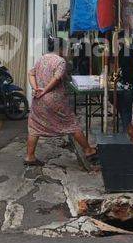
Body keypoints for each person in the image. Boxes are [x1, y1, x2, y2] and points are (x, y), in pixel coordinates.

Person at [26, 37, 97, 167]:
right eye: (65, 48)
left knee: (34, 127)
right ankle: (88, 150)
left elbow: (31, 74)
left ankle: (30, 157)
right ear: (60, 48)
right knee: (72, 125)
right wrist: (45, 90)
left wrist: (36, 88)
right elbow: (57, 78)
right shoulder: (60, 61)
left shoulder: (42, 58)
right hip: (55, 100)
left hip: (38, 100)